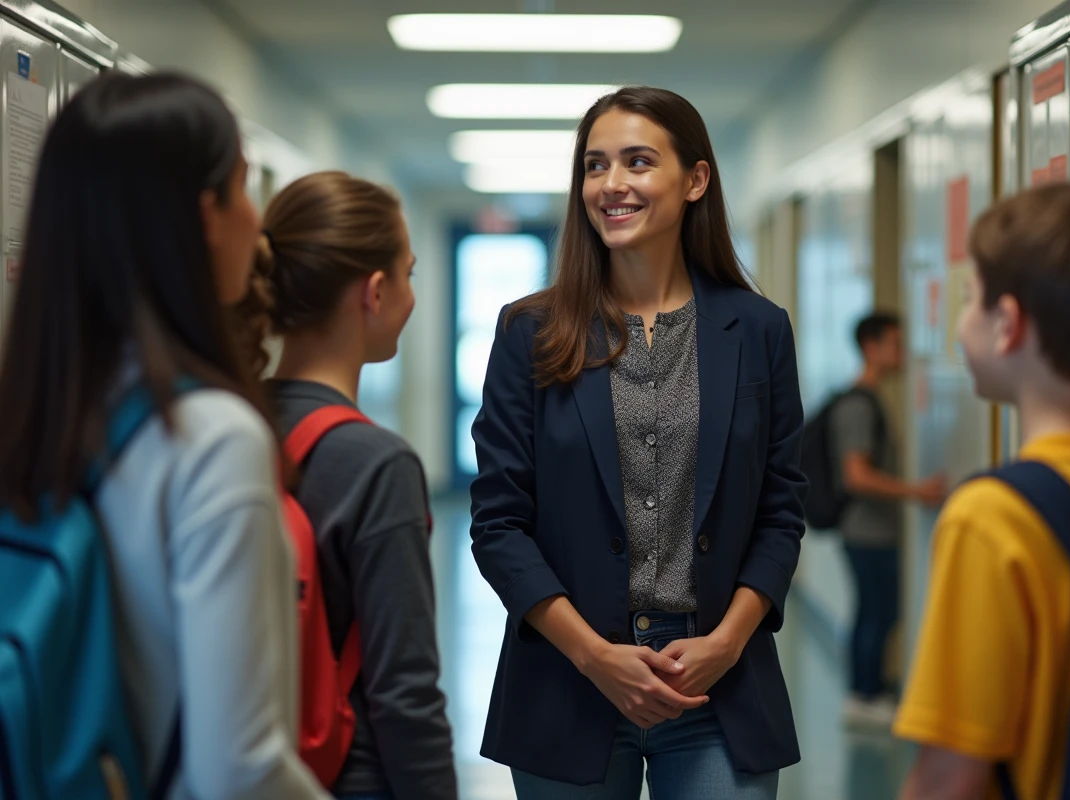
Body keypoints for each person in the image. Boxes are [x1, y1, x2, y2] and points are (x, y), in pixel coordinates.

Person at [469, 86, 806, 800]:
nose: (611, 184)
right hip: (570, 677)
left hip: (717, 681)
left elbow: (781, 510)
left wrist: (726, 642)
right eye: (595, 166)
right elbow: (499, 523)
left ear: (695, 180)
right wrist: (594, 657)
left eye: (638, 161)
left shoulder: (757, 330)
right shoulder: (529, 333)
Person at [0, 72, 329, 797]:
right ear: (204, 214)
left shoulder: (32, 406)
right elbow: (238, 770)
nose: (256, 219)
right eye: (243, 189)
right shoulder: (210, 439)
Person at [894, 184, 1070, 799]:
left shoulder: (991, 517)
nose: (959, 322)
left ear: (1008, 325)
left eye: (970, 299)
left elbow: (952, 775)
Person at [238, 171, 457, 800]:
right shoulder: (376, 465)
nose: (413, 297)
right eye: (410, 274)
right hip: (350, 775)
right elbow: (404, 690)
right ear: (376, 291)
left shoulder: (226, 425)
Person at [832, 312, 944, 728]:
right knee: (876, 613)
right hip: (866, 532)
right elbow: (856, 476)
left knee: (877, 612)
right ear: (871, 347)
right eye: (895, 343)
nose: (902, 352)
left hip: (875, 532)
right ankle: (864, 696)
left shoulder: (874, 397)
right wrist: (916, 491)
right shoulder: (859, 404)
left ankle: (868, 691)